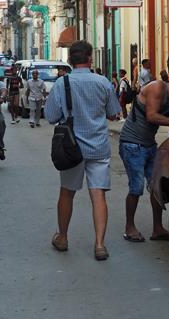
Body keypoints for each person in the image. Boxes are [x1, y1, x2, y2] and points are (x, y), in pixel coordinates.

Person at [45, 41, 121, 261]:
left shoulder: (62, 83)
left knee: (67, 192)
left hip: (71, 149)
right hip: (98, 147)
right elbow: (114, 113)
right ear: (90, 59)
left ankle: (63, 237)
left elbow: (50, 116)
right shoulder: (103, 82)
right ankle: (99, 244)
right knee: (98, 195)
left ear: (69, 60)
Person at [119, 77, 169, 242]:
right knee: (136, 187)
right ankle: (129, 227)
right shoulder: (157, 88)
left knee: (156, 187)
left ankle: (157, 228)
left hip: (149, 145)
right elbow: (152, 116)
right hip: (132, 144)